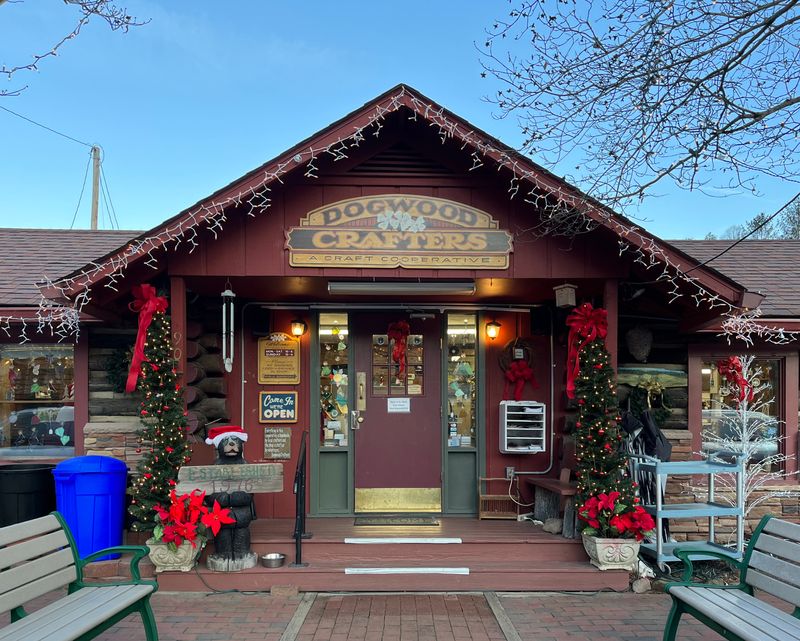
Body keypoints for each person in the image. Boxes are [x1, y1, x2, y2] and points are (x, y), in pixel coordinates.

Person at [204, 425, 257, 570]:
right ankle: (223, 554)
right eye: (226, 441)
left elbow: (249, 491)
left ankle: (242, 553)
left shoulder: (245, 465)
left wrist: (233, 497)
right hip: (221, 512)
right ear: (219, 445)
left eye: (235, 441)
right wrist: (223, 499)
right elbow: (209, 490)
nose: (231, 444)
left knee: (242, 532)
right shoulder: (215, 467)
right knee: (222, 533)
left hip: (241, 512)